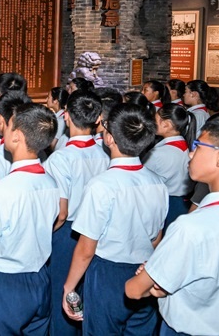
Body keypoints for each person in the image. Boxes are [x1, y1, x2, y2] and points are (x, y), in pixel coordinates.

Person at [125, 113, 219, 336]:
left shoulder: (192, 227)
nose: (190, 153)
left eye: (198, 146)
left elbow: (133, 290)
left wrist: (156, 281)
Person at [63, 103, 168, 335]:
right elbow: (156, 238)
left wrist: (69, 287)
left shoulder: (101, 185)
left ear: (109, 138)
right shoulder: (158, 183)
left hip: (107, 273)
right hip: (145, 270)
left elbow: (86, 249)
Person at [0, 103, 59, 335]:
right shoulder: (51, 183)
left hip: (4, 283)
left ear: (16, 137)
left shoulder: (1, 190)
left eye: (9, 125)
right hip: (40, 279)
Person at [42, 90, 108, 336]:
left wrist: (44, 235)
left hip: (68, 233)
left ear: (66, 116)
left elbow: (61, 212)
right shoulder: (105, 153)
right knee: (86, 294)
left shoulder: (61, 158)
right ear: (98, 119)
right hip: (99, 231)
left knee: (62, 292)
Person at [144, 103, 196, 230]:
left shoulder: (159, 153)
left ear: (166, 124)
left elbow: (142, 180)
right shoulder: (184, 145)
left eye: (155, 120)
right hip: (183, 203)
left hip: (166, 204)